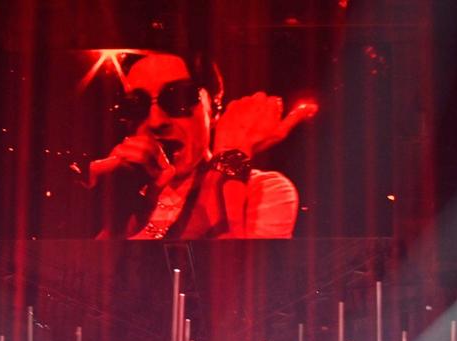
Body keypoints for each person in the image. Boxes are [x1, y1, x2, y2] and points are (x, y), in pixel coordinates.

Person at [75, 50, 316, 239]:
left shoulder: (263, 191)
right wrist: (119, 219)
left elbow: (231, 286)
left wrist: (230, 155)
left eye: (178, 98)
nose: (156, 121)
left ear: (214, 110)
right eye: (137, 105)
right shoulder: (126, 200)